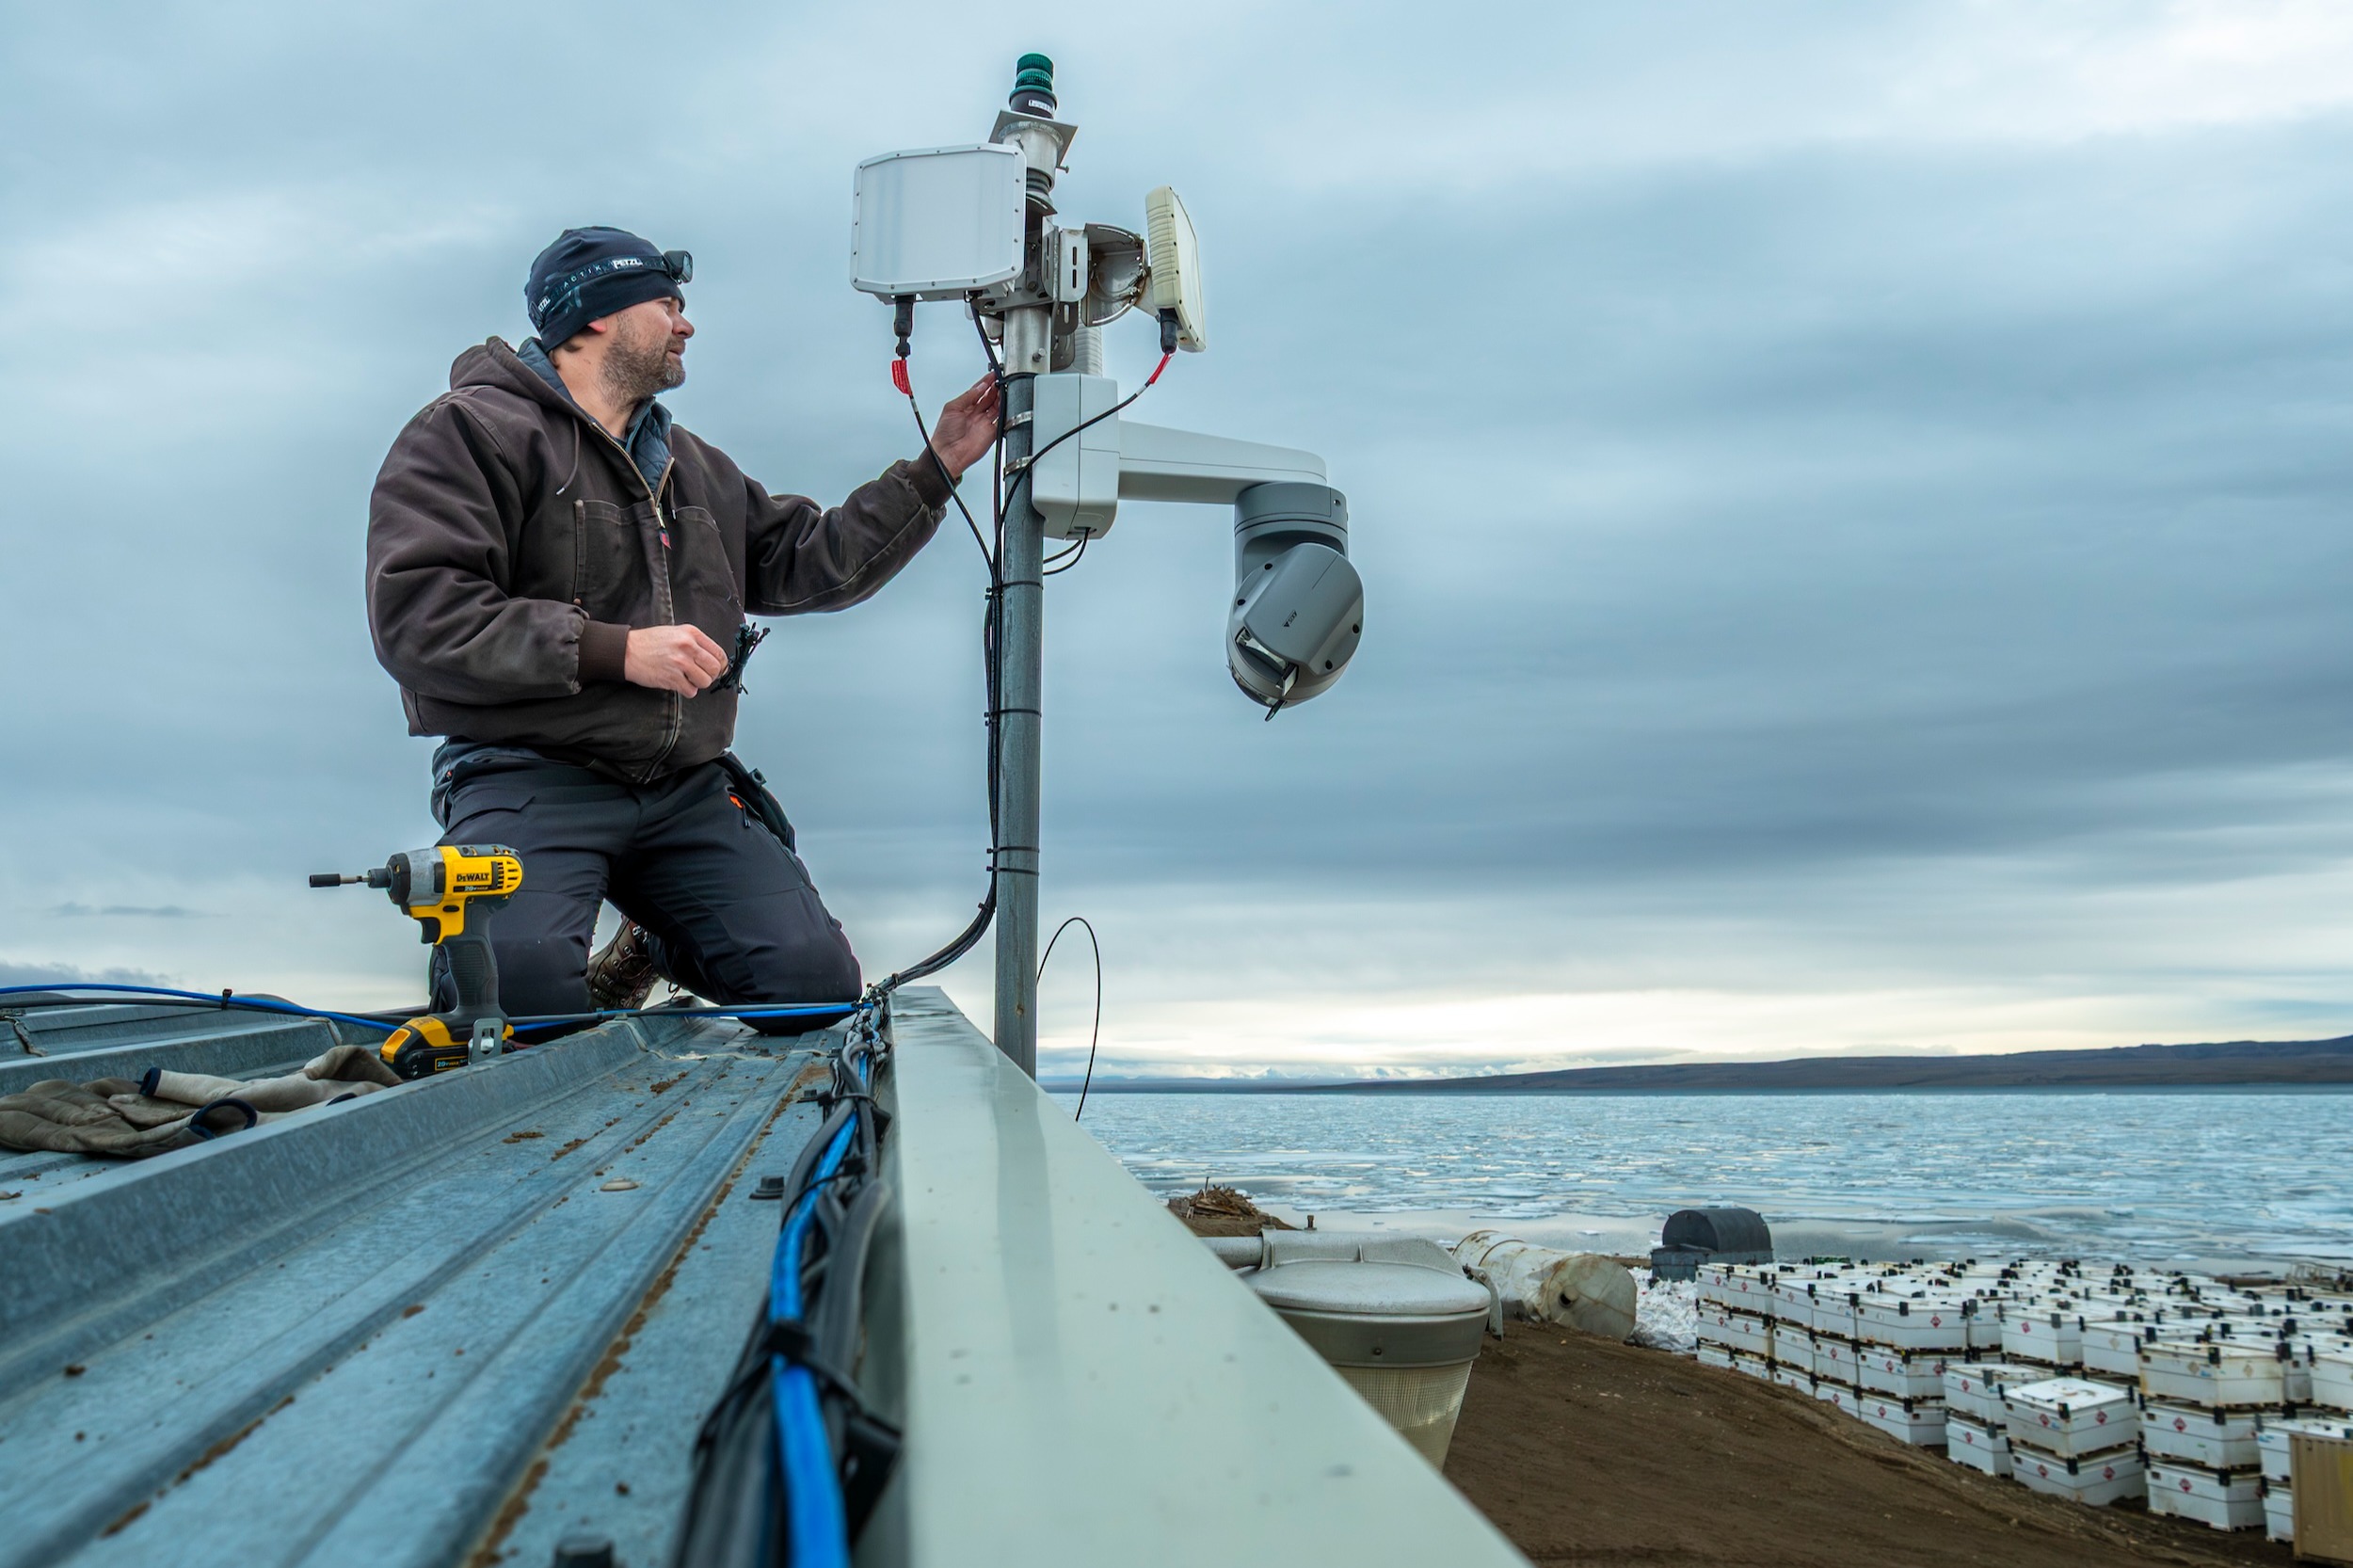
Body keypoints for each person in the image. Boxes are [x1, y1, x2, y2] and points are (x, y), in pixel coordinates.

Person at [366, 225, 997, 1027]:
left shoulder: (695, 466)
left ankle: (651, 945)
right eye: (668, 304)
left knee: (814, 986)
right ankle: (507, 978)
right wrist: (616, 652)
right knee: (515, 999)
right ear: (595, 317)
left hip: (681, 788)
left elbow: (813, 560)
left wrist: (936, 466)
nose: (686, 323)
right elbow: (418, 612)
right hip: (526, 772)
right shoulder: (469, 433)